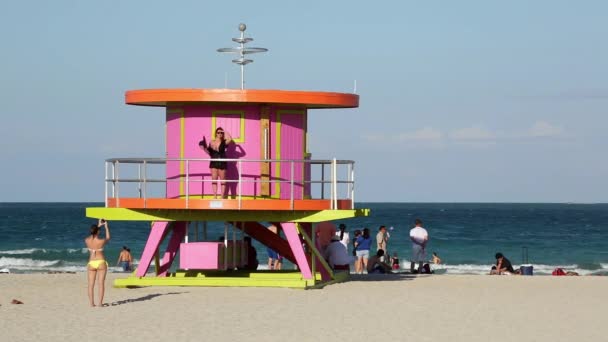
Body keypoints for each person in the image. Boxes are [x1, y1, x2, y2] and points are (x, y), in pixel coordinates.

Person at [199, 127, 233, 198]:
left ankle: (222, 196)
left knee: (223, 180)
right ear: (216, 133)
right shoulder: (211, 142)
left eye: (221, 133)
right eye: (218, 132)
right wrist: (204, 148)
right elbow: (209, 152)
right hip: (213, 161)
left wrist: (224, 130)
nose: (220, 134)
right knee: (214, 179)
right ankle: (214, 196)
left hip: (222, 162)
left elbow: (230, 138)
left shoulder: (224, 141)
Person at [84, 219, 110, 307]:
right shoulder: (101, 241)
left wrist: (98, 226)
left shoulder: (86, 240)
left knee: (91, 284)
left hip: (91, 263)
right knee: (101, 283)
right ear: (98, 232)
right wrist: (106, 227)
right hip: (100, 262)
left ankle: (91, 303)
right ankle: (100, 303)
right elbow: (108, 238)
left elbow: (93, 235)